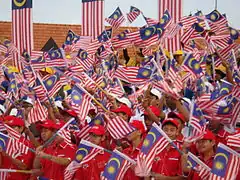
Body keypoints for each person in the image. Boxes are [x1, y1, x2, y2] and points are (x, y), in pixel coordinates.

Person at [0, 115, 35, 180]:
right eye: (8, 128)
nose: (9, 130)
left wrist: (7, 155)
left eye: (12, 127)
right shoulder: (4, 142)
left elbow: (24, 166)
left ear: (21, 128)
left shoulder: (26, 145)